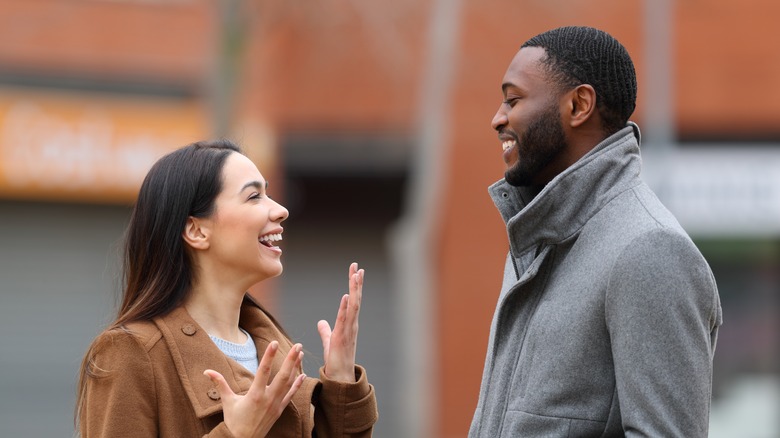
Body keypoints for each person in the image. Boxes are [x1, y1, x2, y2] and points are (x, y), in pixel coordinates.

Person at [469, 26, 722, 437]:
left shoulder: (649, 250)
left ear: (579, 105)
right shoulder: (537, 243)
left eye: (513, 100)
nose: (498, 119)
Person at [76, 140, 378, 437]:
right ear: (196, 230)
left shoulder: (278, 354)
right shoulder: (130, 355)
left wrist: (341, 386)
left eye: (268, 194)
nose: (280, 210)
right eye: (253, 196)